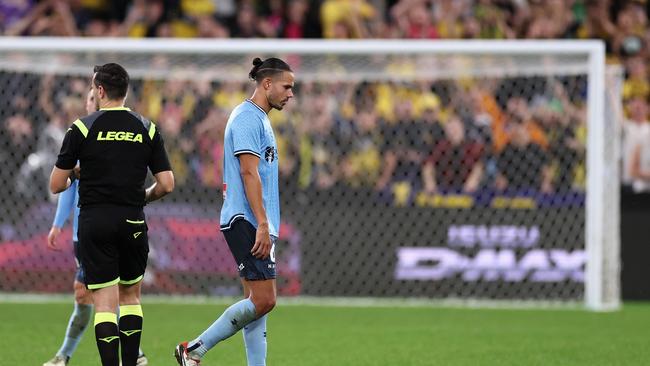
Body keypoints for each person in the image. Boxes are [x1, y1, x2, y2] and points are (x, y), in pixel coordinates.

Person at [49, 63, 174, 366]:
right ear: (125, 92)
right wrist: (143, 196)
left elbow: (56, 184)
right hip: (132, 220)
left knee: (104, 305)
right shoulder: (147, 127)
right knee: (130, 298)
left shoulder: (80, 128)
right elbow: (167, 184)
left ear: (100, 91)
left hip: (94, 222)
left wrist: (77, 172)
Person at [174, 57, 294, 366]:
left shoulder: (259, 119)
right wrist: (263, 224)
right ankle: (194, 349)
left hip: (253, 220)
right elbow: (248, 173)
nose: (291, 93)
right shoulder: (246, 118)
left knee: (256, 303)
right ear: (267, 84)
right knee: (266, 300)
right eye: (287, 86)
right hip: (248, 220)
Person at [43, 89, 149, 366]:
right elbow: (66, 187)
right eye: (89, 99)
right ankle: (127, 353)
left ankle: (67, 355)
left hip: (102, 226)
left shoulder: (106, 135)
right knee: (91, 295)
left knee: (97, 293)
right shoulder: (81, 134)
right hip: (86, 231)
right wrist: (57, 224)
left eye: (94, 97)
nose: (92, 102)